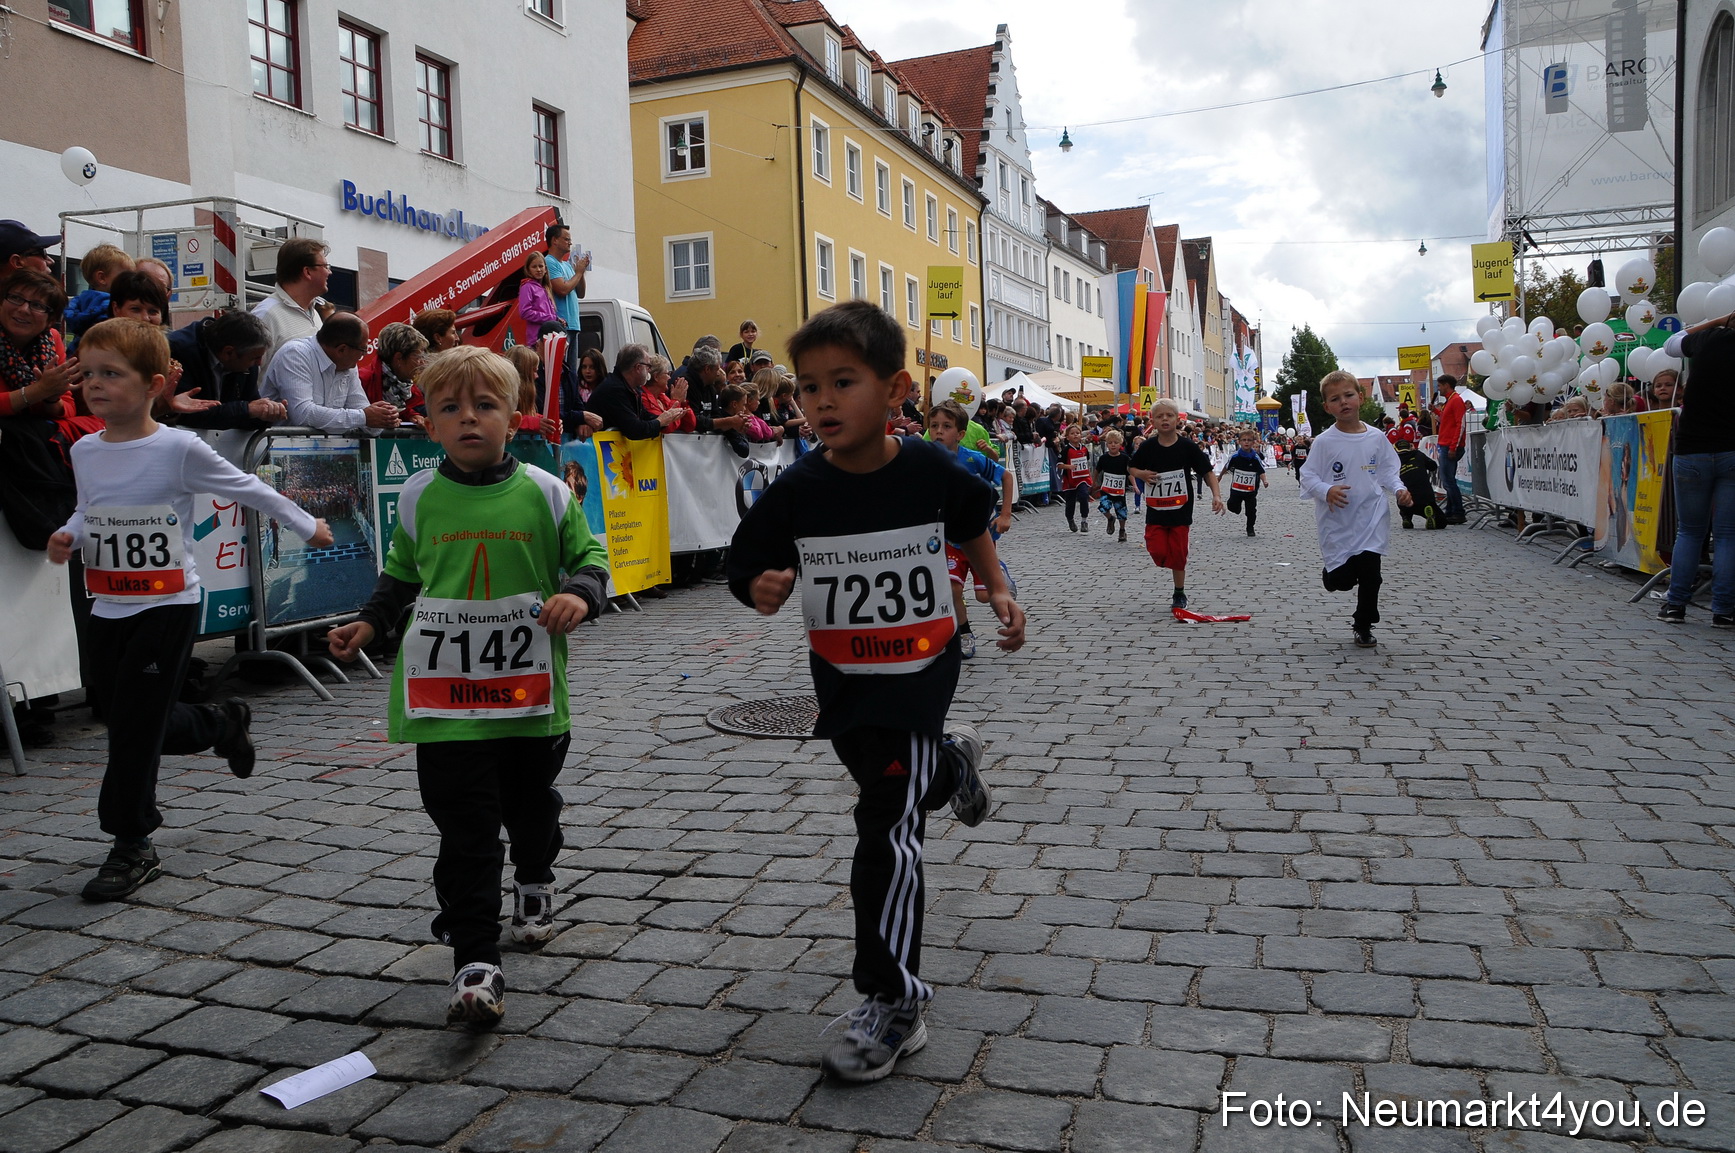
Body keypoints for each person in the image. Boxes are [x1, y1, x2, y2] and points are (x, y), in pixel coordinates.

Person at [727, 300, 1024, 1082]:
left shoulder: (929, 466)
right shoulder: (798, 487)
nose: (820, 402)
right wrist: (757, 585)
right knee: (887, 778)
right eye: (808, 388)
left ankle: (894, 996)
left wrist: (996, 590)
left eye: (843, 383)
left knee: (884, 824)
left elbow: (970, 524)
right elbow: (747, 555)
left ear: (895, 390)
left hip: (921, 669)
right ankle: (950, 767)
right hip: (845, 678)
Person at [327, 345, 608, 1024]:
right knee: (465, 825)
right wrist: (369, 623)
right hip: (444, 697)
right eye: (450, 408)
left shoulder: (544, 491)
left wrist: (577, 593)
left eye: (485, 405)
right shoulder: (421, 495)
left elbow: (591, 556)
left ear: (514, 418)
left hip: (529, 697)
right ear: (428, 424)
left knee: (526, 805)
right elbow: (401, 574)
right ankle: (475, 957)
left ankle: (535, 875)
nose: (468, 419)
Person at [45, 318, 334, 901]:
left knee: (131, 728)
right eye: (89, 373)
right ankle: (222, 722)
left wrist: (306, 523)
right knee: (128, 715)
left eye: (112, 374)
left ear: (154, 383)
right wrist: (68, 534)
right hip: (106, 604)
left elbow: (247, 486)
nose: (95, 385)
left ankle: (131, 843)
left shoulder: (177, 445)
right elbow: (90, 510)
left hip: (167, 603)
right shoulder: (85, 450)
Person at [1299, 371, 1411, 648]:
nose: (1344, 402)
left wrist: (1398, 490)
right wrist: (1327, 490)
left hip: (1372, 517)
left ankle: (1364, 624)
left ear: (1360, 398)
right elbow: (1308, 475)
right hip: (1338, 523)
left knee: (1372, 575)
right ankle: (1332, 575)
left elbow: (1387, 470)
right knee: (1342, 580)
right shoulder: (1325, 441)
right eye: (1335, 399)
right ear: (1327, 407)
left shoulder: (1376, 437)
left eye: (1348, 395)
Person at [1657, 306, 1735, 626]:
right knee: (1728, 536)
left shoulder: (1707, 340)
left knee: (1689, 531)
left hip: (1692, 449)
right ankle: (1724, 609)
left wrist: (1718, 321)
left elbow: (1671, 343)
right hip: (1732, 449)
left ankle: (1676, 604)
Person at [928, 399, 1014, 660]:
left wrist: (1005, 513)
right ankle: (964, 634)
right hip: (949, 541)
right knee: (952, 590)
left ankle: (999, 572)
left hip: (979, 538)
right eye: (933, 426)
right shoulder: (926, 462)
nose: (939, 431)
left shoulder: (973, 459)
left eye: (946, 426)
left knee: (983, 596)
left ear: (961, 434)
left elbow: (1006, 476)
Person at [1129, 398, 1224, 611]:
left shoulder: (1187, 447)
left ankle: (1179, 592)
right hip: (1156, 509)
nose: (1165, 419)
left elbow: (1207, 472)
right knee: (1157, 550)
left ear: (1177, 420)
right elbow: (1132, 468)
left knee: (1179, 554)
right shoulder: (1148, 447)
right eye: (1160, 416)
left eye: (1169, 416)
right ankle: (1167, 561)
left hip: (1181, 509)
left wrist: (1216, 496)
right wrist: (1141, 474)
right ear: (1152, 420)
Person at [260, 314, 398, 434]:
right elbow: (303, 414)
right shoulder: (295, 354)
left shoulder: (348, 366)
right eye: (362, 351)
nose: (361, 357)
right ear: (342, 349)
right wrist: (364, 417)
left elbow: (363, 413)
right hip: (277, 453)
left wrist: (384, 417)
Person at [166, 310, 286, 431]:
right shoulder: (180, 351)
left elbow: (245, 415)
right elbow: (188, 414)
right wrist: (247, 409)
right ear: (228, 352)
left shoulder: (247, 359)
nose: (259, 363)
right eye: (255, 358)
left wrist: (265, 415)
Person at [252, 238, 331, 369]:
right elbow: (250, 377)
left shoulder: (315, 313)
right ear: (307, 272)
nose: (329, 272)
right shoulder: (266, 315)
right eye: (325, 266)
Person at [588, 342, 687, 438]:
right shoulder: (615, 389)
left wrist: (667, 417)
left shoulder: (632, 388)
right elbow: (634, 429)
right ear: (638, 368)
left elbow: (644, 416)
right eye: (648, 366)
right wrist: (660, 422)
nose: (649, 370)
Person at [542, 224, 588, 403]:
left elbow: (581, 293)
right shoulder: (549, 262)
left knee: (571, 372)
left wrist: (580, 273)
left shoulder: (567, 266)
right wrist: (578, 273)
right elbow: (562, 289)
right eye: (566, 239)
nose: (570, 243)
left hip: (573, 324)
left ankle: (571, 403)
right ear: (554, 240)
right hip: (560, 324)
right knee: (560, 370)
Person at [66, 244, 133, 349]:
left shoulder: (80, 303)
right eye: (126, 277)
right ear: (101, 278)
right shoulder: (109, 308)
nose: (130, 282)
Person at [359, 322, 429, 421]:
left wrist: (413, 416)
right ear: (398, 358)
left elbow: (404, 410)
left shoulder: (411, 388)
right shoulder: (362, 380)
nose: (422, 362)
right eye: (418, 356)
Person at [1220, 429, 1269, 537]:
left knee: (1251, 510)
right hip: (1237, 488)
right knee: (1232, 506)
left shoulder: (1255, 458)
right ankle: (1237, 508)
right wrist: (1219, 477)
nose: (1246, 442)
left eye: (1249, 440)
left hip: (1251, 489)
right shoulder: (1235, 456)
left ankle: (1250, 527)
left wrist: (1264, 481)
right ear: (1239, 442)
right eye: (1244, 440)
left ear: (1253, 442)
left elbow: (1261, 471)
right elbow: (1226, 467)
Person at [1434, 374, 1468, 524]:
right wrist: (1435, 412)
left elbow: (1460, 425)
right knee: (1448, 480)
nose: (1438, 389)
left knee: (1448, 481)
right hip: (1446, 444)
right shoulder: (1450, 401)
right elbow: (1447, 420)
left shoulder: (1456, 400)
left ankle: (1458, 512)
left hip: (1449, 445)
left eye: (1440, 386)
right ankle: (1450, 511)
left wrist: (1453, 447)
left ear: (1446, 385)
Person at [505, 345, 558, 442]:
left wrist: (548, 421)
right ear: (523, 371)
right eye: (533, 371)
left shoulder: (527, 392)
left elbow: (529, 415)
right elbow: (504, 419)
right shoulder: (505, 393)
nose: (536, 376)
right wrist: (534, 423)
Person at [1394, 435, 1444, 530]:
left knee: (1401, 494)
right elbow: (1433, 466)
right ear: (1410, 447)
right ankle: (1430, 514)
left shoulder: (1394, 459)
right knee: (1442, 522)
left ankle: (1406, 517)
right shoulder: (1418, 454)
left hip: (1407, 499)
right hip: (1426, 497)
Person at [561, 346, 608, 442]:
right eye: (584, 367)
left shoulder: (606, 389)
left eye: (592, 367)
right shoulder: (575, 387)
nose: (587, 371)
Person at [639, 354, 694, 433]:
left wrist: (683, 402)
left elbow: (689, 426)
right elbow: (667, 428)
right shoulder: (643, 399)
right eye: (667, 374)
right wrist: (676, 400)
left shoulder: (662, 398)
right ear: (656, 377)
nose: (670, 378)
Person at [717, 383, 777, 455]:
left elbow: (766, 433)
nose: (744, 408)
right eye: (743, 405)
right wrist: (741, 431)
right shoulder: (729, 422)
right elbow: (743, 450)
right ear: (734, 404)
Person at [1094, 429, 1131, 542]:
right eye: (1110, 443)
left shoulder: (1125, 458)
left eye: (1115, 442)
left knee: (1121, 510)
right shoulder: (1104, 458)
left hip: (1119, 490)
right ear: (1107, 444)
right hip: (1106, 489)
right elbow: (1097, 470)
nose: (1113, 445)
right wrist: (1093, 482)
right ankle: (1110, 518)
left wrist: (1135, 485)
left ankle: (1122, 530)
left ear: (1120, 444)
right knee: (1103, 507)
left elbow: (1129, 473)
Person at [1057, 423, 1093, 531]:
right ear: (1067, 437)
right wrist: (1069, 466)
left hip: (1082, 478)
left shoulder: (1084, 449)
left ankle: (1084, 520)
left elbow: (1086, 461)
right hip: (1070, 480)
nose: (1075, 435)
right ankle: (1070, 519)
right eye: (1072, 434)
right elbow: (1059, 465)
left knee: (1083, 496)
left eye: (1077, 433)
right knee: (1070, 502)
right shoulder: (1066, 450)